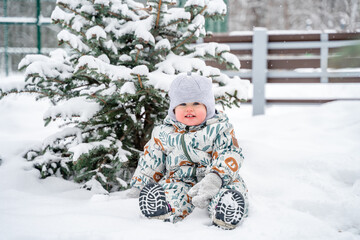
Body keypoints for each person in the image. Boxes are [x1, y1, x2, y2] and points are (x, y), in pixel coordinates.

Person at [127, 73, 249, 230]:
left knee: (232, 189)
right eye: (182, 104)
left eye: (196, 103)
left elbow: (229, 153)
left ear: (208, 106)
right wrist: (140, 185)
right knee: (171, 191)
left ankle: (226, 209)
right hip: (180, 179)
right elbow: (151, 160)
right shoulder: (164, 132)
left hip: (216, 178)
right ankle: (162, 207)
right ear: (174, 108)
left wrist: (215, 178)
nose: (189, 108)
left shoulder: (220, 129)